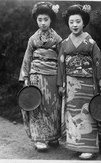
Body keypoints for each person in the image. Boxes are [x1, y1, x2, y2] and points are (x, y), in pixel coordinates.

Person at [57, 4, 101, 159]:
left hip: (88, 83)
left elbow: (98, 62)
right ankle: (76, 145)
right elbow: (61, 64)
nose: (74, 25)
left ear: (84, 22)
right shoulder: (65, 43)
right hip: (71, 83)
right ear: (68, 23)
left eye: (78, 21)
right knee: (73, 113)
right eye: (71, 22)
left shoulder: (90, 42)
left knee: (87, 113)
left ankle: (89, 148)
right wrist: (61, 84)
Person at [19, 2, 62, 151]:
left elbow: (61, 60)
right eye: (40, 19)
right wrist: (25, 78)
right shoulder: (33, 39)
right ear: (36, 20)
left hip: (52, 75)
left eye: (46, 19)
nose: (43, 23)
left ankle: (54, 136)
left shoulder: (57, 39)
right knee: (37, 106)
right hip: (36, 75)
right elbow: (27, 58)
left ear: (51, 20)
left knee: (53, 106)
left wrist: (61, 80)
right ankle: (40, 139)